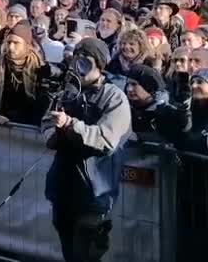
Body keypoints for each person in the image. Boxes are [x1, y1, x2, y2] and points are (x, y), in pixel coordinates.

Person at [42, 38, 131, 262]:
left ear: (99, 66)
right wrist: (55, 133)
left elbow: (106, 139)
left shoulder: (114, 97)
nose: (77, 67)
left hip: (94, 191)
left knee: (87, 254)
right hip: (63, 187)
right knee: (70, 254)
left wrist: (70, 125)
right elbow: (46, 123)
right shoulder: (68, 92)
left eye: (85, 61)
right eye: (75, 60)